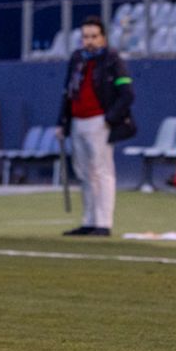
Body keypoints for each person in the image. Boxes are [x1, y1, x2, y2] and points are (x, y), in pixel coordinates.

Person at [55, 15, 135, 237]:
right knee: (84, 172)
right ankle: (89, 220)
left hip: (99, 121)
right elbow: (68, 92)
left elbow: (127, 93)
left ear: (103, 37)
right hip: (78, 121)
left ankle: (104, 222)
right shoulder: (78, 58)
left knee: (102, 171)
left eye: (93, 36)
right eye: (85, 37)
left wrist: (109, 119)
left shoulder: (112, 59)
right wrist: (63, 121)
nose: (89, 41)